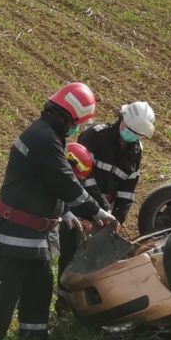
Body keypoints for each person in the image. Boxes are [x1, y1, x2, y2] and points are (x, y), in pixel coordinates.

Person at [0, 82, 117, 340]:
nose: (77, 129)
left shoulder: (48, 135)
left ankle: (34, 339)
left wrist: (66, 212)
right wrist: (97, 212)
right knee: (6, 292)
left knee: (40, 287)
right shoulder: (43, 138)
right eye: (77, 123)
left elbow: (44, 185)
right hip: (16, 232)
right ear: (68, 116)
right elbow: (63, 181)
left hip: (36, 234)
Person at [57, 101, 155, 281]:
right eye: (129, 130)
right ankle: (64, 295)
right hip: (79, 203)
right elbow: (84, 176)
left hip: (104, 210)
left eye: (136, 134)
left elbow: (128, 189)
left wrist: (117, 218)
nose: (131, 135)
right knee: (70, 253)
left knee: (96, 258)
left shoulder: (135, 150)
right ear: (121, 119)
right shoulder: (94, 136)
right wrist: (101, 209)